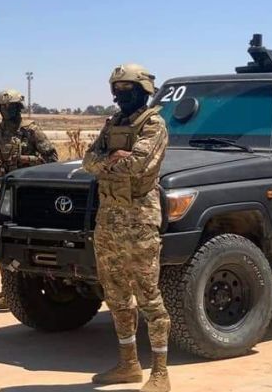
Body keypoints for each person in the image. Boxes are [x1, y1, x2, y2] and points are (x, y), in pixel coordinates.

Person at [82, 64, 171, 392]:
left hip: (139, 223)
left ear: (143, 90)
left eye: (127, 89)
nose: (120, 94)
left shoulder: (154, 125)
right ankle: (128, 364)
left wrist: (107, 161)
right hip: (108, 222)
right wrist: (111, 158)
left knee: (149, 296)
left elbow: (138, 165)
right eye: (116, 88)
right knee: (116, 295)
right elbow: (86, 161)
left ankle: (160, 372)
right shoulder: (113, 124)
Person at [0, 88, 58, 310]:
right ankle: (8, 290)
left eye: (13, 107)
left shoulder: (30, 131)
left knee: (25, 244)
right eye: (4, 108)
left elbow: (51, 158)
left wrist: (24, 160)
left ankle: (24, 291)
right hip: (3, 193)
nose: (9, 111)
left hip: (28, 195)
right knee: (1, 243)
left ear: (19, 108)